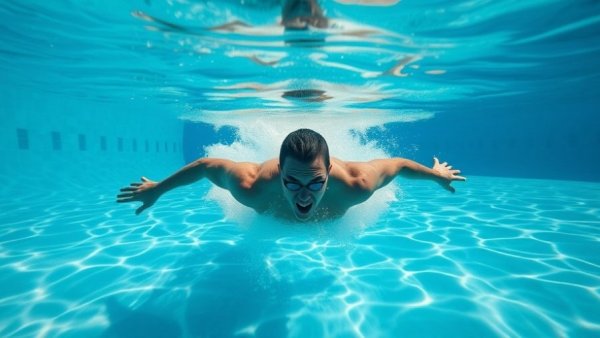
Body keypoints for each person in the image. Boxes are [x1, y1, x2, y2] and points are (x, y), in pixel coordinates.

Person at [117, 129, 466, 221]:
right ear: (279, 173)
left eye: (316, 183)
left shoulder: (356, 185)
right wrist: (158, 189)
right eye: (292, 182)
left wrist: (437, 176)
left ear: (329, 173)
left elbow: (399, 165)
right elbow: (207, 166)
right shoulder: (252, 186)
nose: (304, 195)